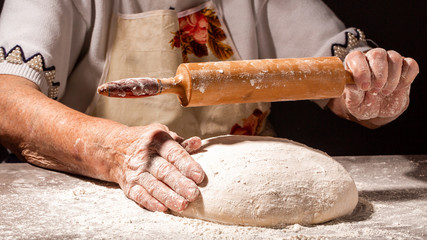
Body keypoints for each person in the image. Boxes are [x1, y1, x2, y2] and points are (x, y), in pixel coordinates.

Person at [0, 0, 419, 212]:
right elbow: (5, 100)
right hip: (105, 199)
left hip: (261, 196)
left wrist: (374, 84)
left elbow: (341, 74)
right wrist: (111, 152)